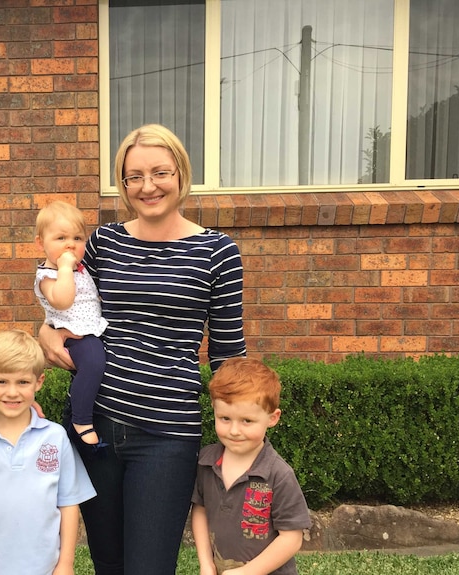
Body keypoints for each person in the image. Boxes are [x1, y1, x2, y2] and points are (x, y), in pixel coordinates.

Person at [39, 123, 247, 575]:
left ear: (181, 174)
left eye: (160, 172)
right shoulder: (103, 242)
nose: (147, 186)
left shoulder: (218, 252)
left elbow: (229, 357)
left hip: (167, 436)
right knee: (109, 562)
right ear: (123, 183)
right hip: (97, 427)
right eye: (134, 176)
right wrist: (45, 333)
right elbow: (69, 307)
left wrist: (240, 434)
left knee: (150, 566)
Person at [0, 329, 96, 575]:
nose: (12, 392)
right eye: (2, 381)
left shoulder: (55, 438)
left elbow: (69, 505)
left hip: (46, 569)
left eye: (23, 382)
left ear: (39, 381)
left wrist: (66, 564)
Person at [191, 357, 310, 575]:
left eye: (247, 421)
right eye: (225, 418)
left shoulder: (278, 474)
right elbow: (200, 510)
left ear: (272, 418)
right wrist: (206, 563)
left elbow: (292, 538)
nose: (234, 430)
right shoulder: (206, 462)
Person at [34, 201, 108, 446]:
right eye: (61, 238)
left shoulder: (81, 268)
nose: (70, 244)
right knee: (94, 364)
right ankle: (81, 419)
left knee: (95, 363)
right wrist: (65, 268)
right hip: (74, 334)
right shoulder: (48, 275)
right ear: (40, 243)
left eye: (77, 238)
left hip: (90, 328)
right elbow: (63, 301)